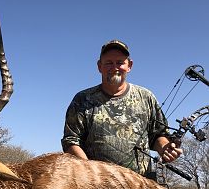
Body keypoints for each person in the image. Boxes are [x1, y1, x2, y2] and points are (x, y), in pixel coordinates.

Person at [61, 39, 182, 177]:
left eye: (120, 62)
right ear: (99, 66)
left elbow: (158, 135)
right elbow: (71, 141)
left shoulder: (146, 96)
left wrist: (165, 148)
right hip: (98, 187)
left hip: (142, 184)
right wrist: (91, 174)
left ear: (129, 65)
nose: (114, 67)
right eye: (108, 63)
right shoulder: (82, 99)